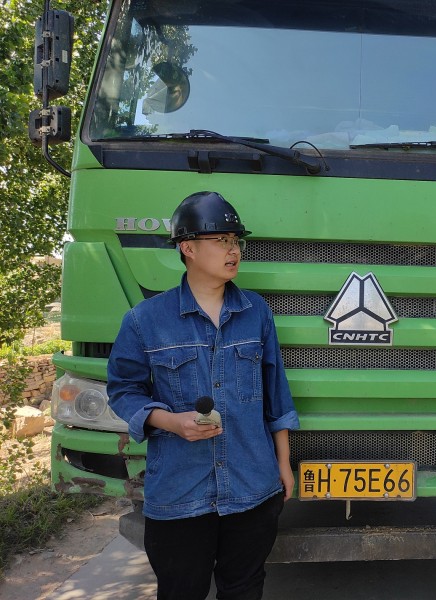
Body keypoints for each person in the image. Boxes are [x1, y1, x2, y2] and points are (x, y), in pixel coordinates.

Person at [107, 191, 299, 600]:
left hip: (252, 487)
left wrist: (283, 464)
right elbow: (123, 390)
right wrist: (169, 421)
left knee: (244, 589)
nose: (234, 250)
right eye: (221, 240)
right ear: (188, 248)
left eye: (236, 241)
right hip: (180, 494)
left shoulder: (256, 313)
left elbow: (276, 396)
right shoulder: (145, 320)